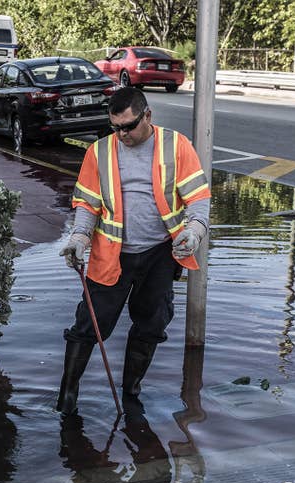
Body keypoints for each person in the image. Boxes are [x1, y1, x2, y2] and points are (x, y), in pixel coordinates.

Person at [56, 87, 211, 415]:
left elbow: (197, 198)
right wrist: (79, 238)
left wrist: (195, 232)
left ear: (148, 116)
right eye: (115, 127)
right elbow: (87, 203)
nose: (122, 134)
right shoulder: (99, 152)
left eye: (128, 126)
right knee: (89, 324)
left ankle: (131, 392)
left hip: (158, 254)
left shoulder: (176, 146)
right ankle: (67, 397)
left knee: (152, 323)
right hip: (111, 254)